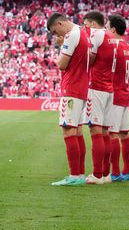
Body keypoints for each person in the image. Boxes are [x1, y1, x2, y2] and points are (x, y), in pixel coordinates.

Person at [48, 13, 90, 186]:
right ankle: (79, 174)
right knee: (77, 131)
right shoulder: (83, 32)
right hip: (81, 87)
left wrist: (60, 47)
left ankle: (74, 175)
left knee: (68, 131)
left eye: (54, 30)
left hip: (71, 87)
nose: (56, 35)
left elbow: (61, 64)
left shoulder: (71, 35)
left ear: (60, 23)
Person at [83, 11, 117, 185]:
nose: (85, 29)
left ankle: (97, 175)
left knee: (95, 131)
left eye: (86, 25)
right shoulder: (111, 37)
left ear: (93, 24)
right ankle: (105, 174)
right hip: (109, 88)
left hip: (96, 87)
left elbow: (90, 59)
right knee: (105, 132)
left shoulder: (96, 35)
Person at [106, 14, 129, 182]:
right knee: (124, 134)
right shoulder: (128, 47)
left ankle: (115, 172)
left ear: (113, 29)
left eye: (108, 28)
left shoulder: (113, 47)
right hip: (124, 93)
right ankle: (126, 171)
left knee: (113, 134)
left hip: (114, 94)